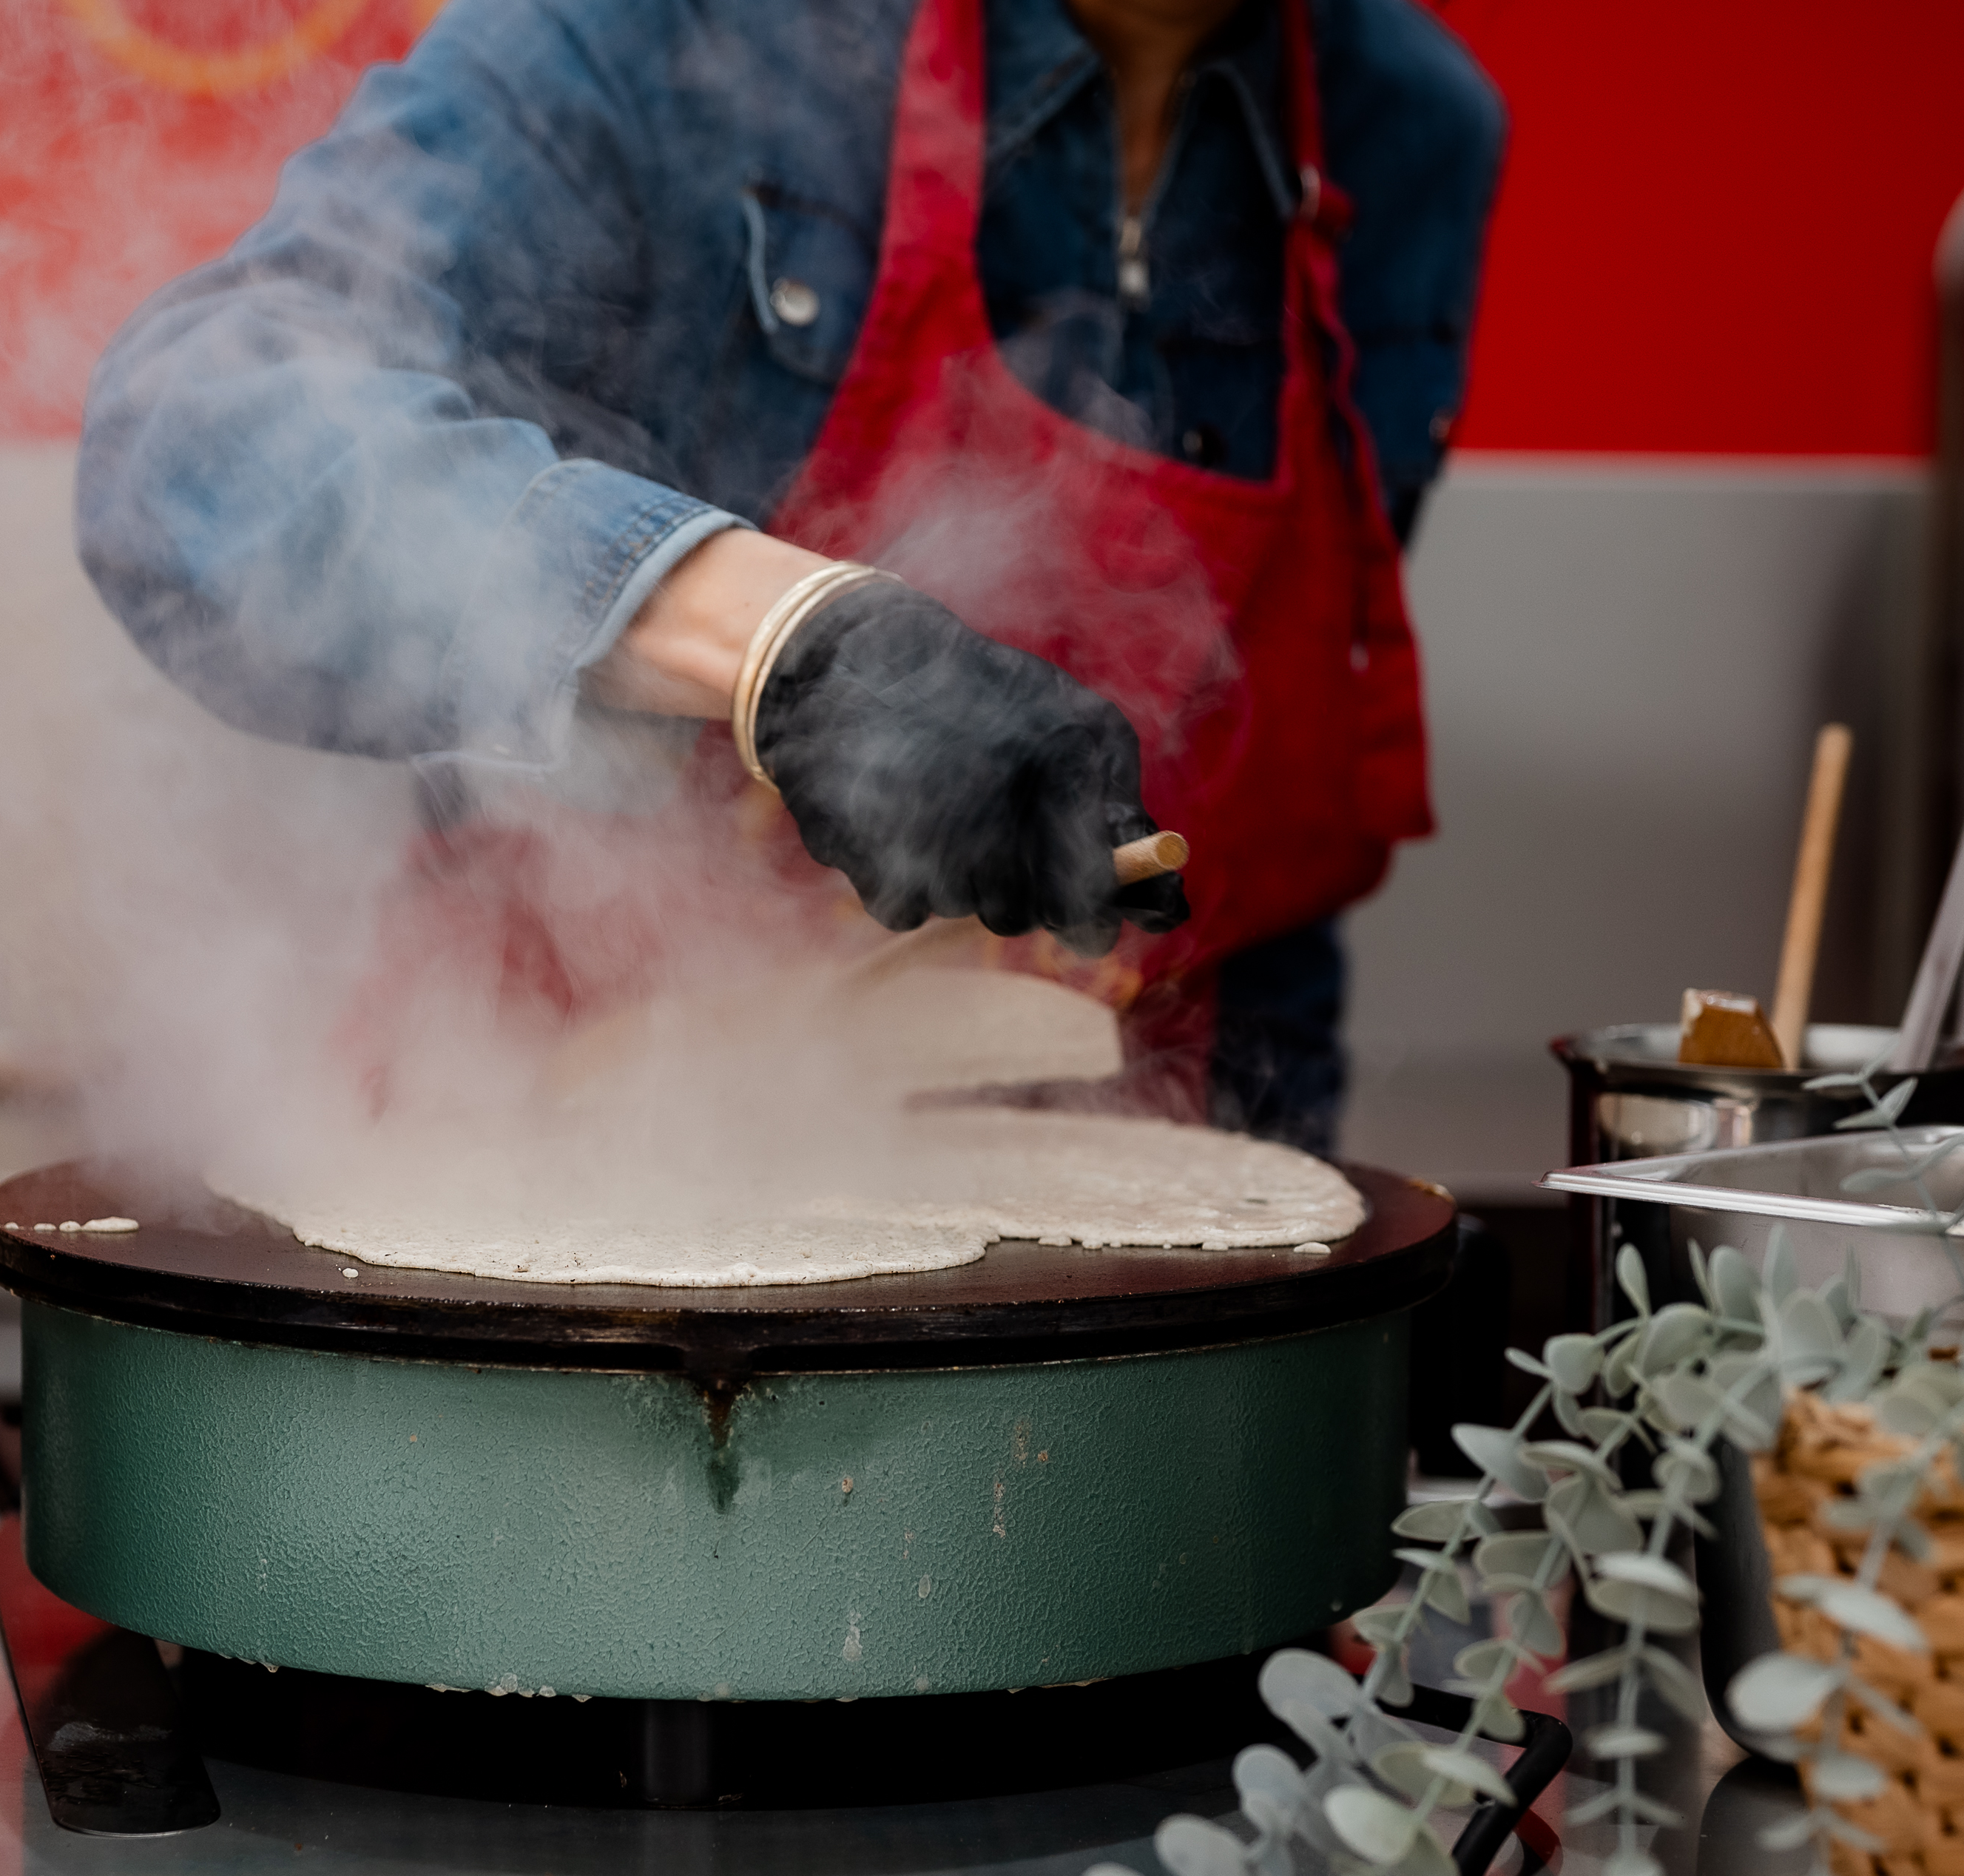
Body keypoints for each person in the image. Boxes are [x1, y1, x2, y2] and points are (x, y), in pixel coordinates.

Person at [78, 0, 1502, 1153]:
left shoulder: (1417, 133)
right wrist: (784, 638)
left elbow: (1264, 873)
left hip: (1125, 1245)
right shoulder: (680, 36)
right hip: (572, 1163)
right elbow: (196, 425)